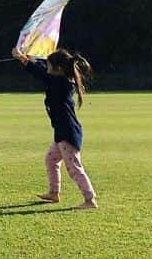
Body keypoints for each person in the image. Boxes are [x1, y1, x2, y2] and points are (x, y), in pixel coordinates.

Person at [20, 48, 98, 210]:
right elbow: (44, 70)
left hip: (67, 133)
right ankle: (54, 193)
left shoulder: (61, 83)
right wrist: (31, 59)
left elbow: (42, 74)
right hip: (61, 132)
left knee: (74, 168)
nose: (47, 69)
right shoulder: (59, 80)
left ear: (58, 69)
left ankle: (90, 199)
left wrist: (24, 60)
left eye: (49, 66)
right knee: (51, 159)